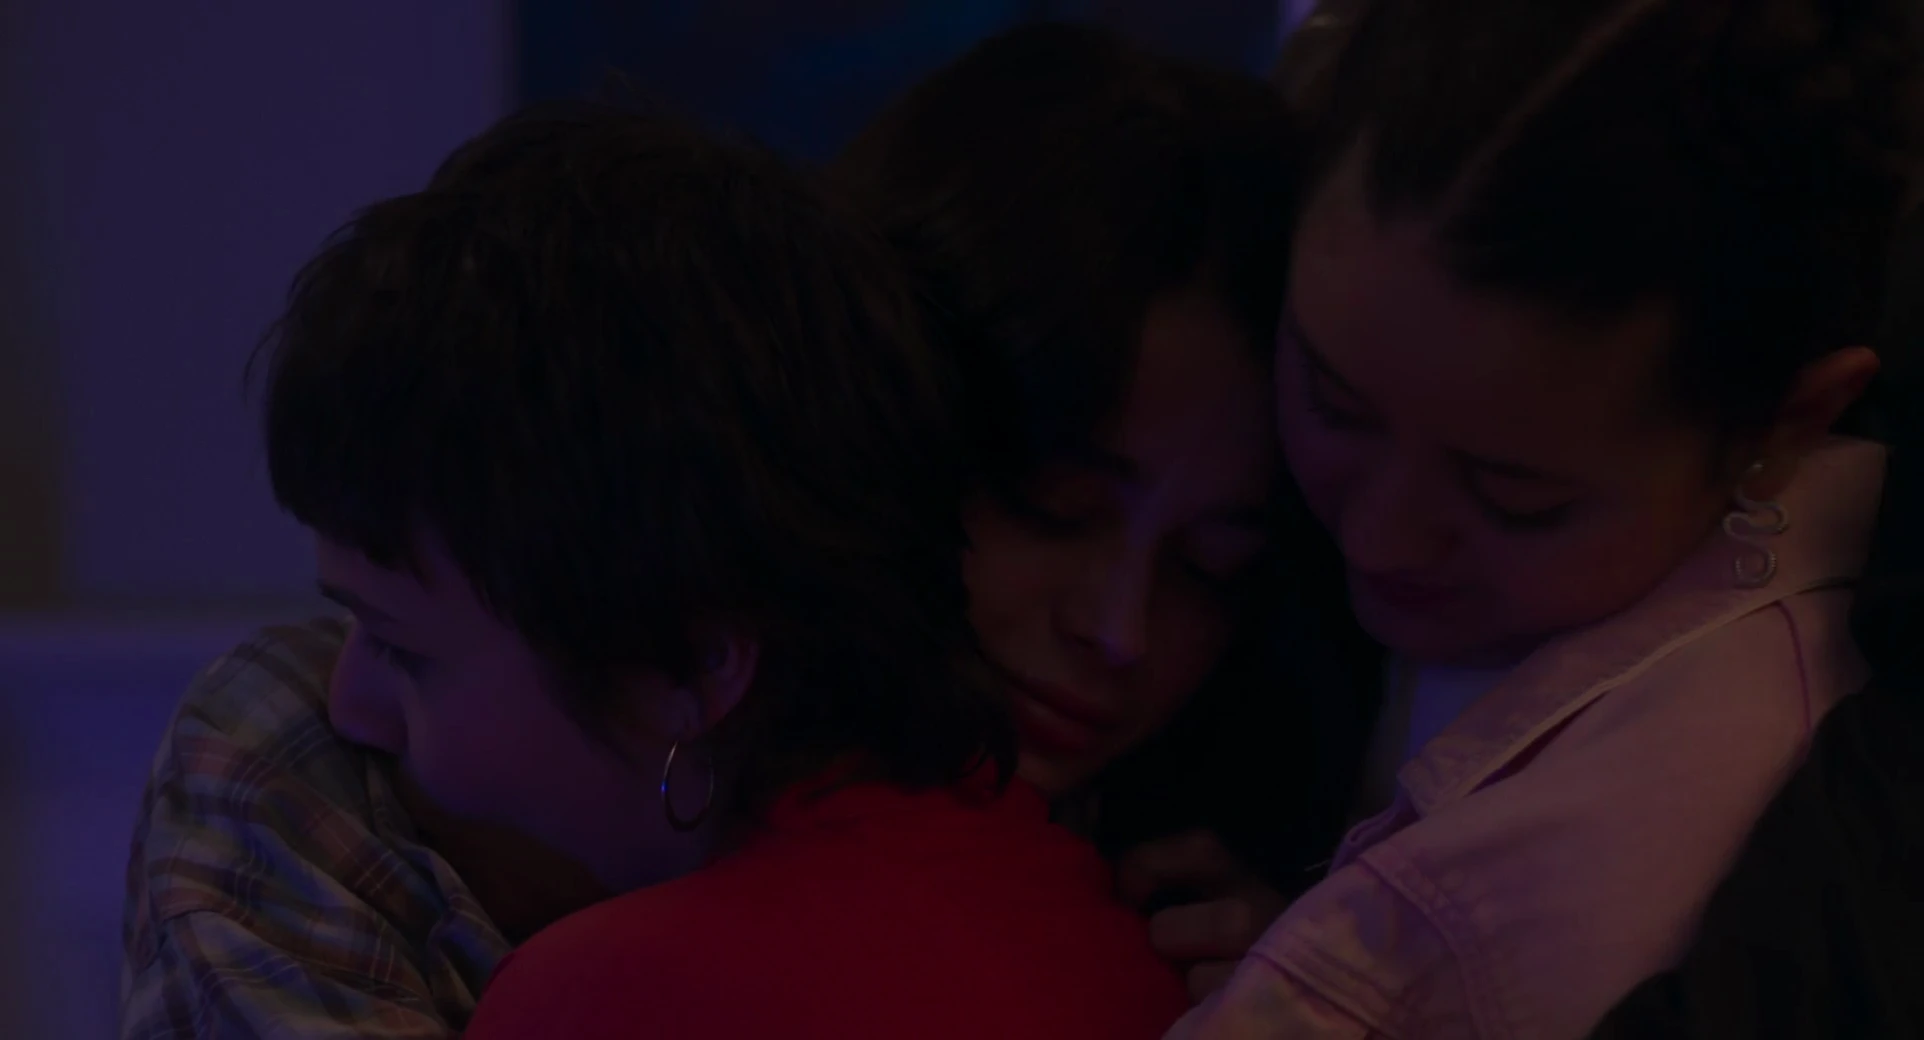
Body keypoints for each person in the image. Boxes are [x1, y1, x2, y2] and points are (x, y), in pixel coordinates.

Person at [119, 100, 1185, 1038]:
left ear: (692, 666)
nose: (350, 701)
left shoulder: (622, 991)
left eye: (405, 650)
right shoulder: (1112, 937)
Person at [462, 23, 1367, 1038]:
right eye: (1052, 508)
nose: (1120, 629)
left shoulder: (1234, 925)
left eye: (1212, 567)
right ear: (875, 410)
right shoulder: (451, 722)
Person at [1170, 0, 1924, 1037]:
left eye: (1512, 498)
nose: (1379, 535)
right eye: (1333, 402)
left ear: (1788, 423)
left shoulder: (1711, 879)